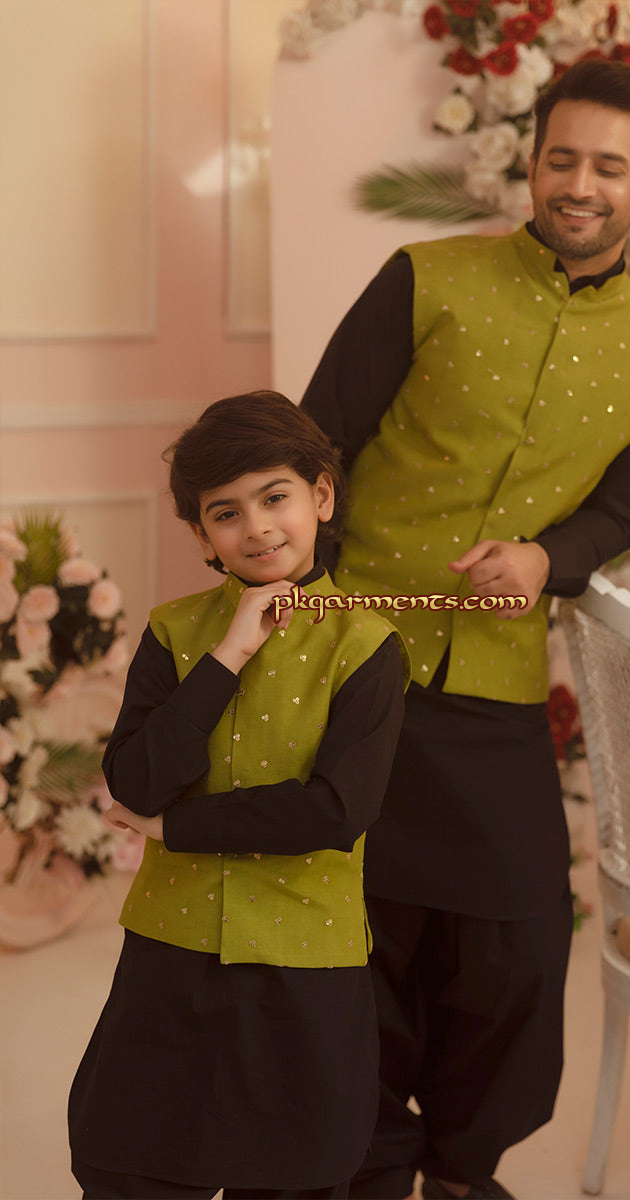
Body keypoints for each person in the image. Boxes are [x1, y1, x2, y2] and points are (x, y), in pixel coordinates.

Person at [300, 59, 630, 1200]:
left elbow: (621, 510)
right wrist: (305, 627)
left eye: (607, 167)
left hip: (493, 677)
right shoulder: (423, 279)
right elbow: (317, 442)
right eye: (560, 158)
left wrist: (545, 560)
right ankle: (373, 1160)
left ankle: (462, 1168)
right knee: (362, 929)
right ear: (529, 164)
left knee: (519, 942)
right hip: (355, 659)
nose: (579, 184)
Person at [68, 391, 409, 1200]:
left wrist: (177, 827)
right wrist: (227, 656)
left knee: (294, 1171)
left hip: (305, 961)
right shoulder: (174, 632)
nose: (256, 528)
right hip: (172, 951)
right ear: (201, 535)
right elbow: (135, 779)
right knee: (129, 1162)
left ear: (320, 496)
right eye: (226, 513)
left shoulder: (368, 647)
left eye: (274, 497)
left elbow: (336, 811)